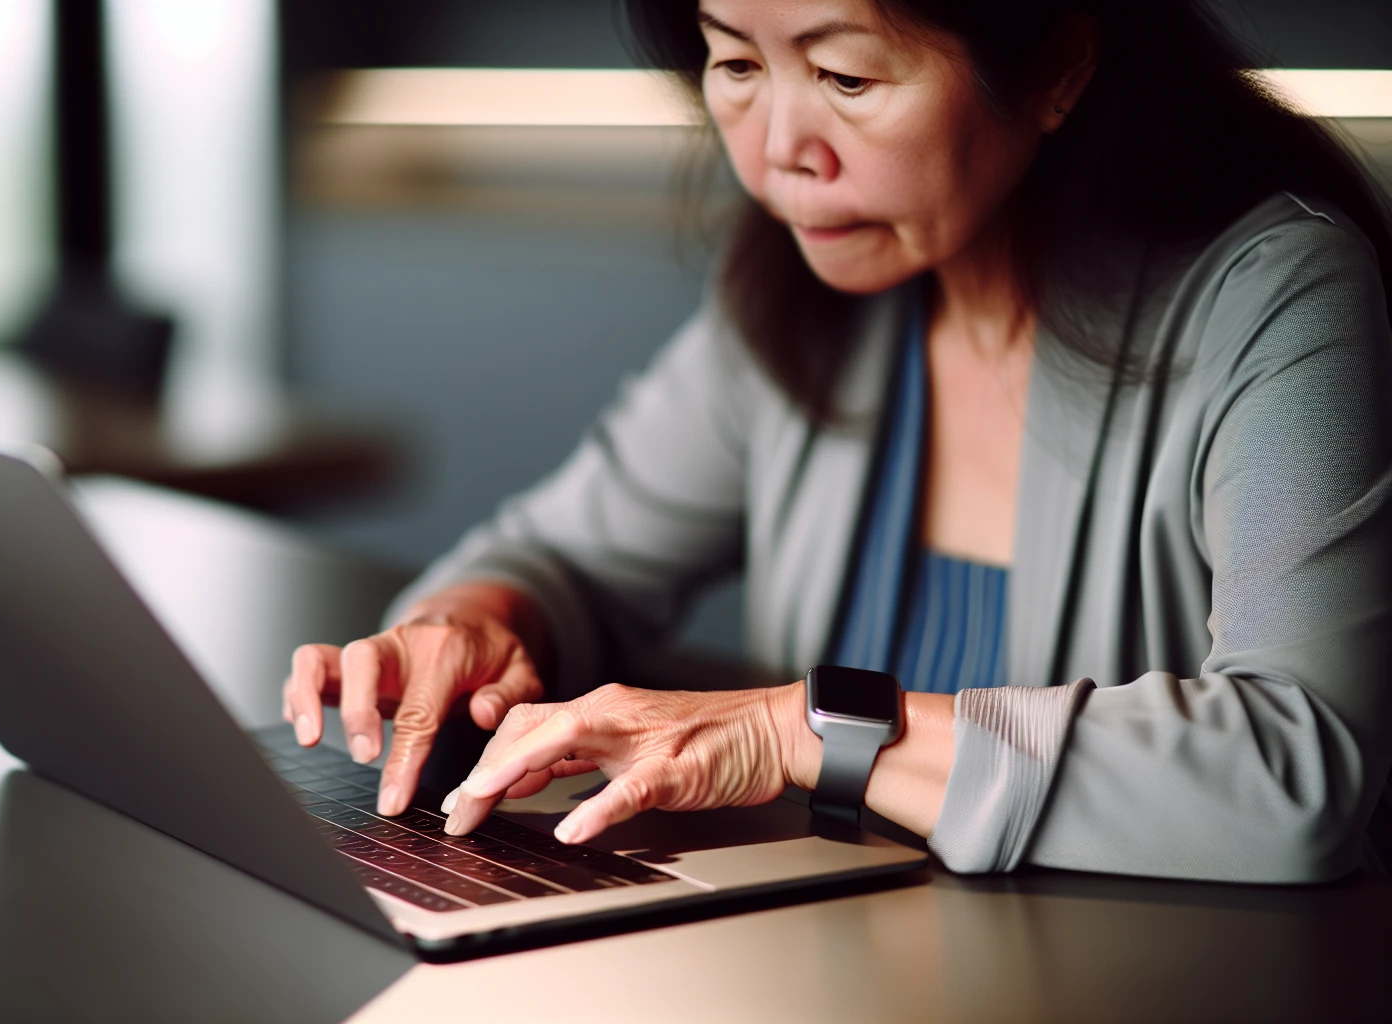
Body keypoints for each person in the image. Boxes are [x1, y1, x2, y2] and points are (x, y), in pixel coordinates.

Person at [284, 0, 1392, 881]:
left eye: (845, 76)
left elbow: (1293, 767)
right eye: (734, 63)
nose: (775, 155)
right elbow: (567, 551)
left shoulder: (1276, 298)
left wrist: (792, 731)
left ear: (1056, 64)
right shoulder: (812, 290)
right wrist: (466, 627)